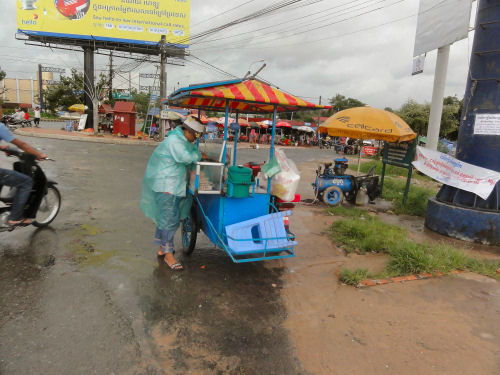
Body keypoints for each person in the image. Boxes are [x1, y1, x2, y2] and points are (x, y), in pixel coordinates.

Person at [140, 116, 207, 271]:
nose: (194, 140)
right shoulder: (175, 142)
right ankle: (169, 256)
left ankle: (163, 248)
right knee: (169, 220)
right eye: (195, 136)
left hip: (170, 185)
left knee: (166, 219)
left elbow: (191, 151)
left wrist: (199, 154)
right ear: (188, 131)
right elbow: (186, 156)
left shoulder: (180, 139)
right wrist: (199, 156)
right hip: (167, 186)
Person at [0, 120, 48, 226]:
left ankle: (9, 202)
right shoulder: (0, 127)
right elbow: (22, 145)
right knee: (26, 181)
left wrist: (2, 147)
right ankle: (15, 217)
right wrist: (39, 154)